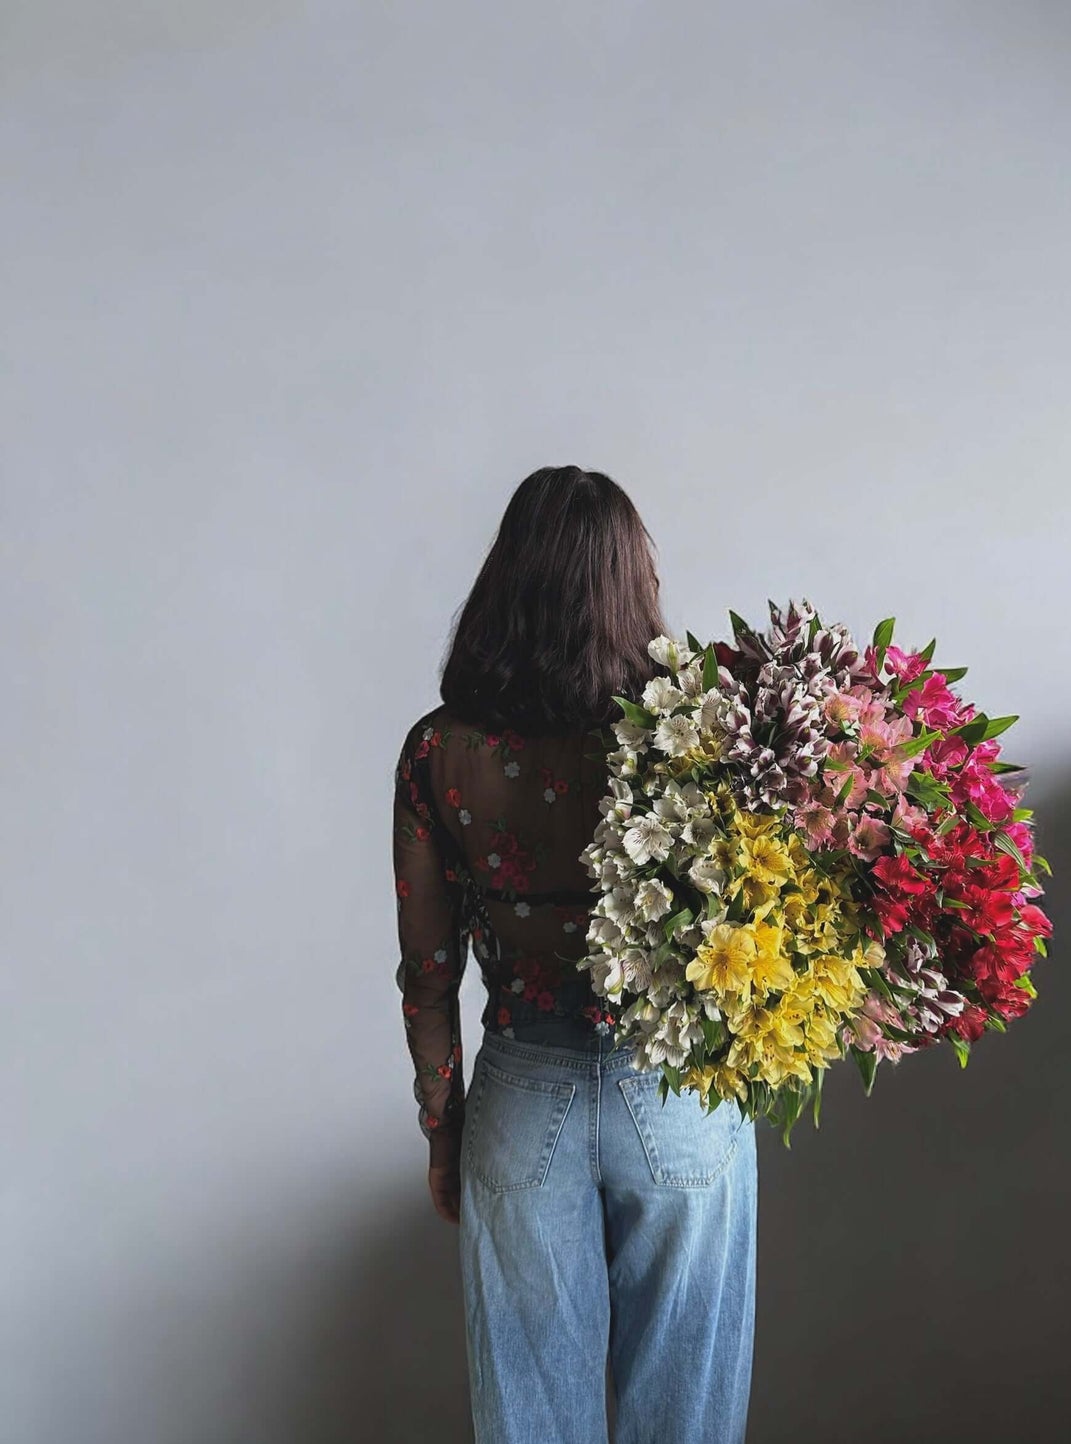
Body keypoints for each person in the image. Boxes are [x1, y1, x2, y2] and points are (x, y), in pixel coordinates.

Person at [390, 466, 758, 1444]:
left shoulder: (436, 752)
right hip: (677, 1093)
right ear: (629, 583)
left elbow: (427, 970)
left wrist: (442, 1126)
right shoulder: (697, 736)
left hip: (520, 1100)